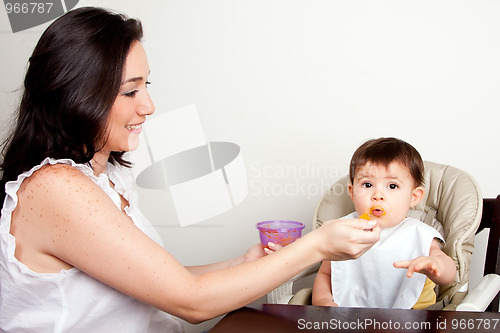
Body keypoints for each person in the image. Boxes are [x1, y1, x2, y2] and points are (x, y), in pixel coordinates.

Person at [0, 7, 381, 332]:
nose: (148, 105)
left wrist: (240, 264)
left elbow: (156, 283)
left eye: (145, 85)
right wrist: (318, 245)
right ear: (75, 93)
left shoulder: (103, 178)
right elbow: (192, 303)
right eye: (130, 91)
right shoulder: (56, 188)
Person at [312, 137, 456, 309]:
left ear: (414, 197)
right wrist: (323, 301)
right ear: (352, 192)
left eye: (392, 186)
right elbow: (326, 274)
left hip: (411, 320)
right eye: (367, 184)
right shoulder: (342, 230)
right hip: (348, 318)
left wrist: (436, 265)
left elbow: (448, 273)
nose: (377, 195)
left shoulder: (420, 233)